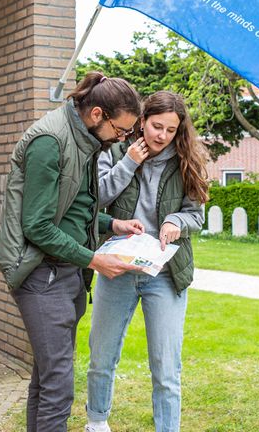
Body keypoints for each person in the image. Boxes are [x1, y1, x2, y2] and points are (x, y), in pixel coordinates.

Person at [0, 72, 147, 432]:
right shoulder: (51, 141)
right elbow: (37, 225)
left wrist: (112, 225)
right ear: (97, 114)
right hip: (40, 273)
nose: (123, 139)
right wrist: (95, 259)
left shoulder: (84, 141)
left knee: (47, 376)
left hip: (66, 272)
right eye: (122, 131)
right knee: (59, 386)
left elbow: (74, 207)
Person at [85, 91, 210, 432]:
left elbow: (195, 216)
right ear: (141, 121)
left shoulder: (186, 160)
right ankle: (96, 422)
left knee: (166, 365)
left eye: (171, 130)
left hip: (165, 273)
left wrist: (177, 222)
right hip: (118, 269)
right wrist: (129, 162)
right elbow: (96, 199)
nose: (162, 136)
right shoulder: (112, 149)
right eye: (157, 126)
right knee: (102, 355)